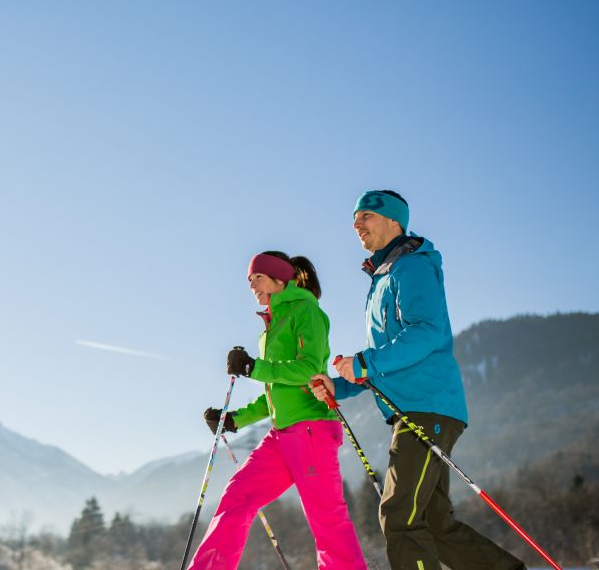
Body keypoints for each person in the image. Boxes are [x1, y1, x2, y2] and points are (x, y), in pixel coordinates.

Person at [310, 190, 525, 570]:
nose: (356, 224)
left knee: (400, 517)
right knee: (435, 524)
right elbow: (385, 362)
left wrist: (364, 361)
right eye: (355, 218)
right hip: (417, 409)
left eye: (366, 216)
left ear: (394, 220)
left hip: (426, 408)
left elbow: (426, 332)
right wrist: (338, 384)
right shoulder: (382, 277)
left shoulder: (411, 266)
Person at [189, 251, 366, 570]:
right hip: (282, 435)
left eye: (258, 276)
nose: (252, 284)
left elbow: (310, 369)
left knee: (327, 521)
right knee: (237, 497)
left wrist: (255, 367)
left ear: (279, 278)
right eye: (249, 279)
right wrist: (234, 419)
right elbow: (275, 391)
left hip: (312, 430)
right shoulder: (269, 327)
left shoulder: (306, 311)